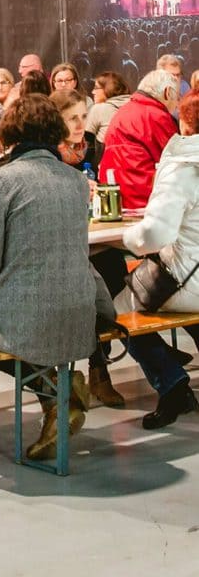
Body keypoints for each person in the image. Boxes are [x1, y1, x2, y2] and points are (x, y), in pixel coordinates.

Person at [0, 94, 98, 461]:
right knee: (12, 319)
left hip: (28, 313)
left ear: (11, 130)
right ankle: (58, 395)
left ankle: (54, 394)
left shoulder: (2, 181)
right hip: (81, 308)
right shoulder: (76, 180)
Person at [120, 92, 199, 428]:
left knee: (115, 310)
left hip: (189, 282)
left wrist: (126, 238)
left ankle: (172, 384)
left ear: (183, 122)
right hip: (193, 280)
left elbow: (154, 235)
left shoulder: (182, 167)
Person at [52, 87, 127, 408]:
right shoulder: (50, 156)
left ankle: (99, 369)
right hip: (61, 244)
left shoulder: (94, 148)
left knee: (114, 267)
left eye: (83, 116)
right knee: (84, 284)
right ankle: (67, 377)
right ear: (56, 121)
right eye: (72, 118)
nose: (80, 124)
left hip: (96, 235)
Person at [99, 69, 182, 209]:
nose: (177, 105)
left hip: (117, 201)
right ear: (167, 93)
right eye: (177, 98)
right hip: (147, 200)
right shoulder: (157, 116)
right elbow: (176, 162)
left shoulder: (123, 112)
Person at [86, 71, 131, 147]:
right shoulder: (135, 106)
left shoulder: (99, 108)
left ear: (108, 88)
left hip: (106, 156)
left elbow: (85, 142)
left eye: (96, 88)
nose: (93, 92)